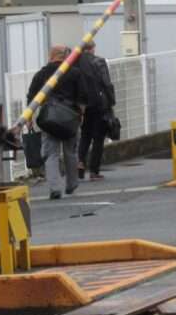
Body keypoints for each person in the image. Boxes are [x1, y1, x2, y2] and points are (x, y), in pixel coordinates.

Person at [27, 45, 87, 200]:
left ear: (51, 56)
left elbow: (32, 98)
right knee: (70, 152)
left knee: (51, 154)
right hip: (70, 118)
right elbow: (83, 96)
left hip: (49, 119)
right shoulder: (74, 72)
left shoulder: (41, 74)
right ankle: (71, 184)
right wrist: (81, 113)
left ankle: (54, 188)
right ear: (65, 56)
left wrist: (29, 118)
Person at [77, 42, 116, 181]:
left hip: (84, 105)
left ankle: (80, 162)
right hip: (99, 104)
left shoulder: (75, 62)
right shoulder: (98, 61)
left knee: (85, 135)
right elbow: (106, 82)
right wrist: (111, 101)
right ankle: (94, 171)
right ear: (92, 48)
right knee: (98, 138)